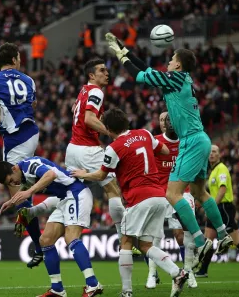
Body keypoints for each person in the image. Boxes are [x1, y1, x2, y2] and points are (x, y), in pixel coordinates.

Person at [105, 33, 233, 269]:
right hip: (202, 138)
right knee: (200, 192)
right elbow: (149, 69)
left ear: (179, 64)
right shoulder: (180, 79)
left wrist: (121, 59)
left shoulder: (175, 78)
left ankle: (200, 240)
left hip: (191, 141)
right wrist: (126, 51)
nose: (169, 62)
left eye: (172, 59)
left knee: (172, 194)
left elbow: (142, 76)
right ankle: (224, 235)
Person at [72, 108, 189, 297]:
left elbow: (102, 175)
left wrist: (83, 174)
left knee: (125, 242)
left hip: (139, 197)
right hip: (159, 196)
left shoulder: (113, 148)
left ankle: (126, 292)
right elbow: (166, 151)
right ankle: (178, 273)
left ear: (108, 128)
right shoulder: (145, 134)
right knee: (146, 245)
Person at [0, 42, 58, 268]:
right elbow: (31, 103)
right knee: (22, 189)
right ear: (14, 59)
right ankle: (30, 213)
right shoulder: (29, 79)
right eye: (19, 57)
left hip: (15, 138)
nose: (21, 60)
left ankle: (39, 244)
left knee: (18, 194)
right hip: (31, 132)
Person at [0, 157, 103, 297]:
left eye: (11, 180)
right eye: (9, 184)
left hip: (76, 193)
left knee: (71, 238)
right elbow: (28, 186)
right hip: (63, 198)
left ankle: (93, 284)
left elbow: (50, 174)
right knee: (45, 240)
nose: (13, 183)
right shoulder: (23, 175)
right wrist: (12, 200)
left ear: (14, 169)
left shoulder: (30, 165)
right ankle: (57, 289)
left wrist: (28, 193)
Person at [65, 58, 140, 256]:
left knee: (74, 192)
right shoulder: (96, 91)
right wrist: (111, 133)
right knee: (113, 188)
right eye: (102, 70)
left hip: (72, 148)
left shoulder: (83, 91)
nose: (107, 74)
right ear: (92, 75)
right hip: (86, 150)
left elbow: (78, 115)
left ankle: (66, 235)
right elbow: (89, 119)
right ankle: (124, 238)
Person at [145, 111, 197, 289]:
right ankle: (152, 273)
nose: (167, 123)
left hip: (183, 191)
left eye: (169, 119)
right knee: (156, 234)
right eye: (164, 120)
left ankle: (189, 272)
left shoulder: (186, 141)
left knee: (184, 233)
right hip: (160, 192)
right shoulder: (156, 141)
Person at [196, 145, 239, 277]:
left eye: (214, 152)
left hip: (224, 208)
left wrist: (211, 206)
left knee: (236, 240)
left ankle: (202, 270)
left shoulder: (222, 169)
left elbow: (222, 190)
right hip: (216, 207)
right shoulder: (212, 171)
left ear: (219, 154)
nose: (212, 154)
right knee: (208, 240)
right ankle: (203, 271)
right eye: (210, 152)